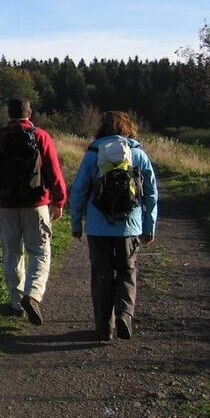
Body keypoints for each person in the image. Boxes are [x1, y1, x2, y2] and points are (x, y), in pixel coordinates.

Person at [69, 111, 158, 341]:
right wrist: (149, 226)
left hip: (98, 227)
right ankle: (124, 316)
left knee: (101, 274)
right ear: (128, 128)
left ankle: (103, 327)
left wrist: (76, 222)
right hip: (129, 226)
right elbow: (150, 193)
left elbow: (79, 190)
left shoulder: (93, 153)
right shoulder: (138, 154)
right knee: (127, 270)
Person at [0, 97, 67, 325]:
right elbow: (54, 171)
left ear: (8, 113)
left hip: (6, 206)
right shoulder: (40, 136)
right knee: (39, 251)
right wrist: (59, 200)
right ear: (30, 113)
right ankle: (33, 295)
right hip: (36, 205)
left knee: (12, 254)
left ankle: (17, 303)